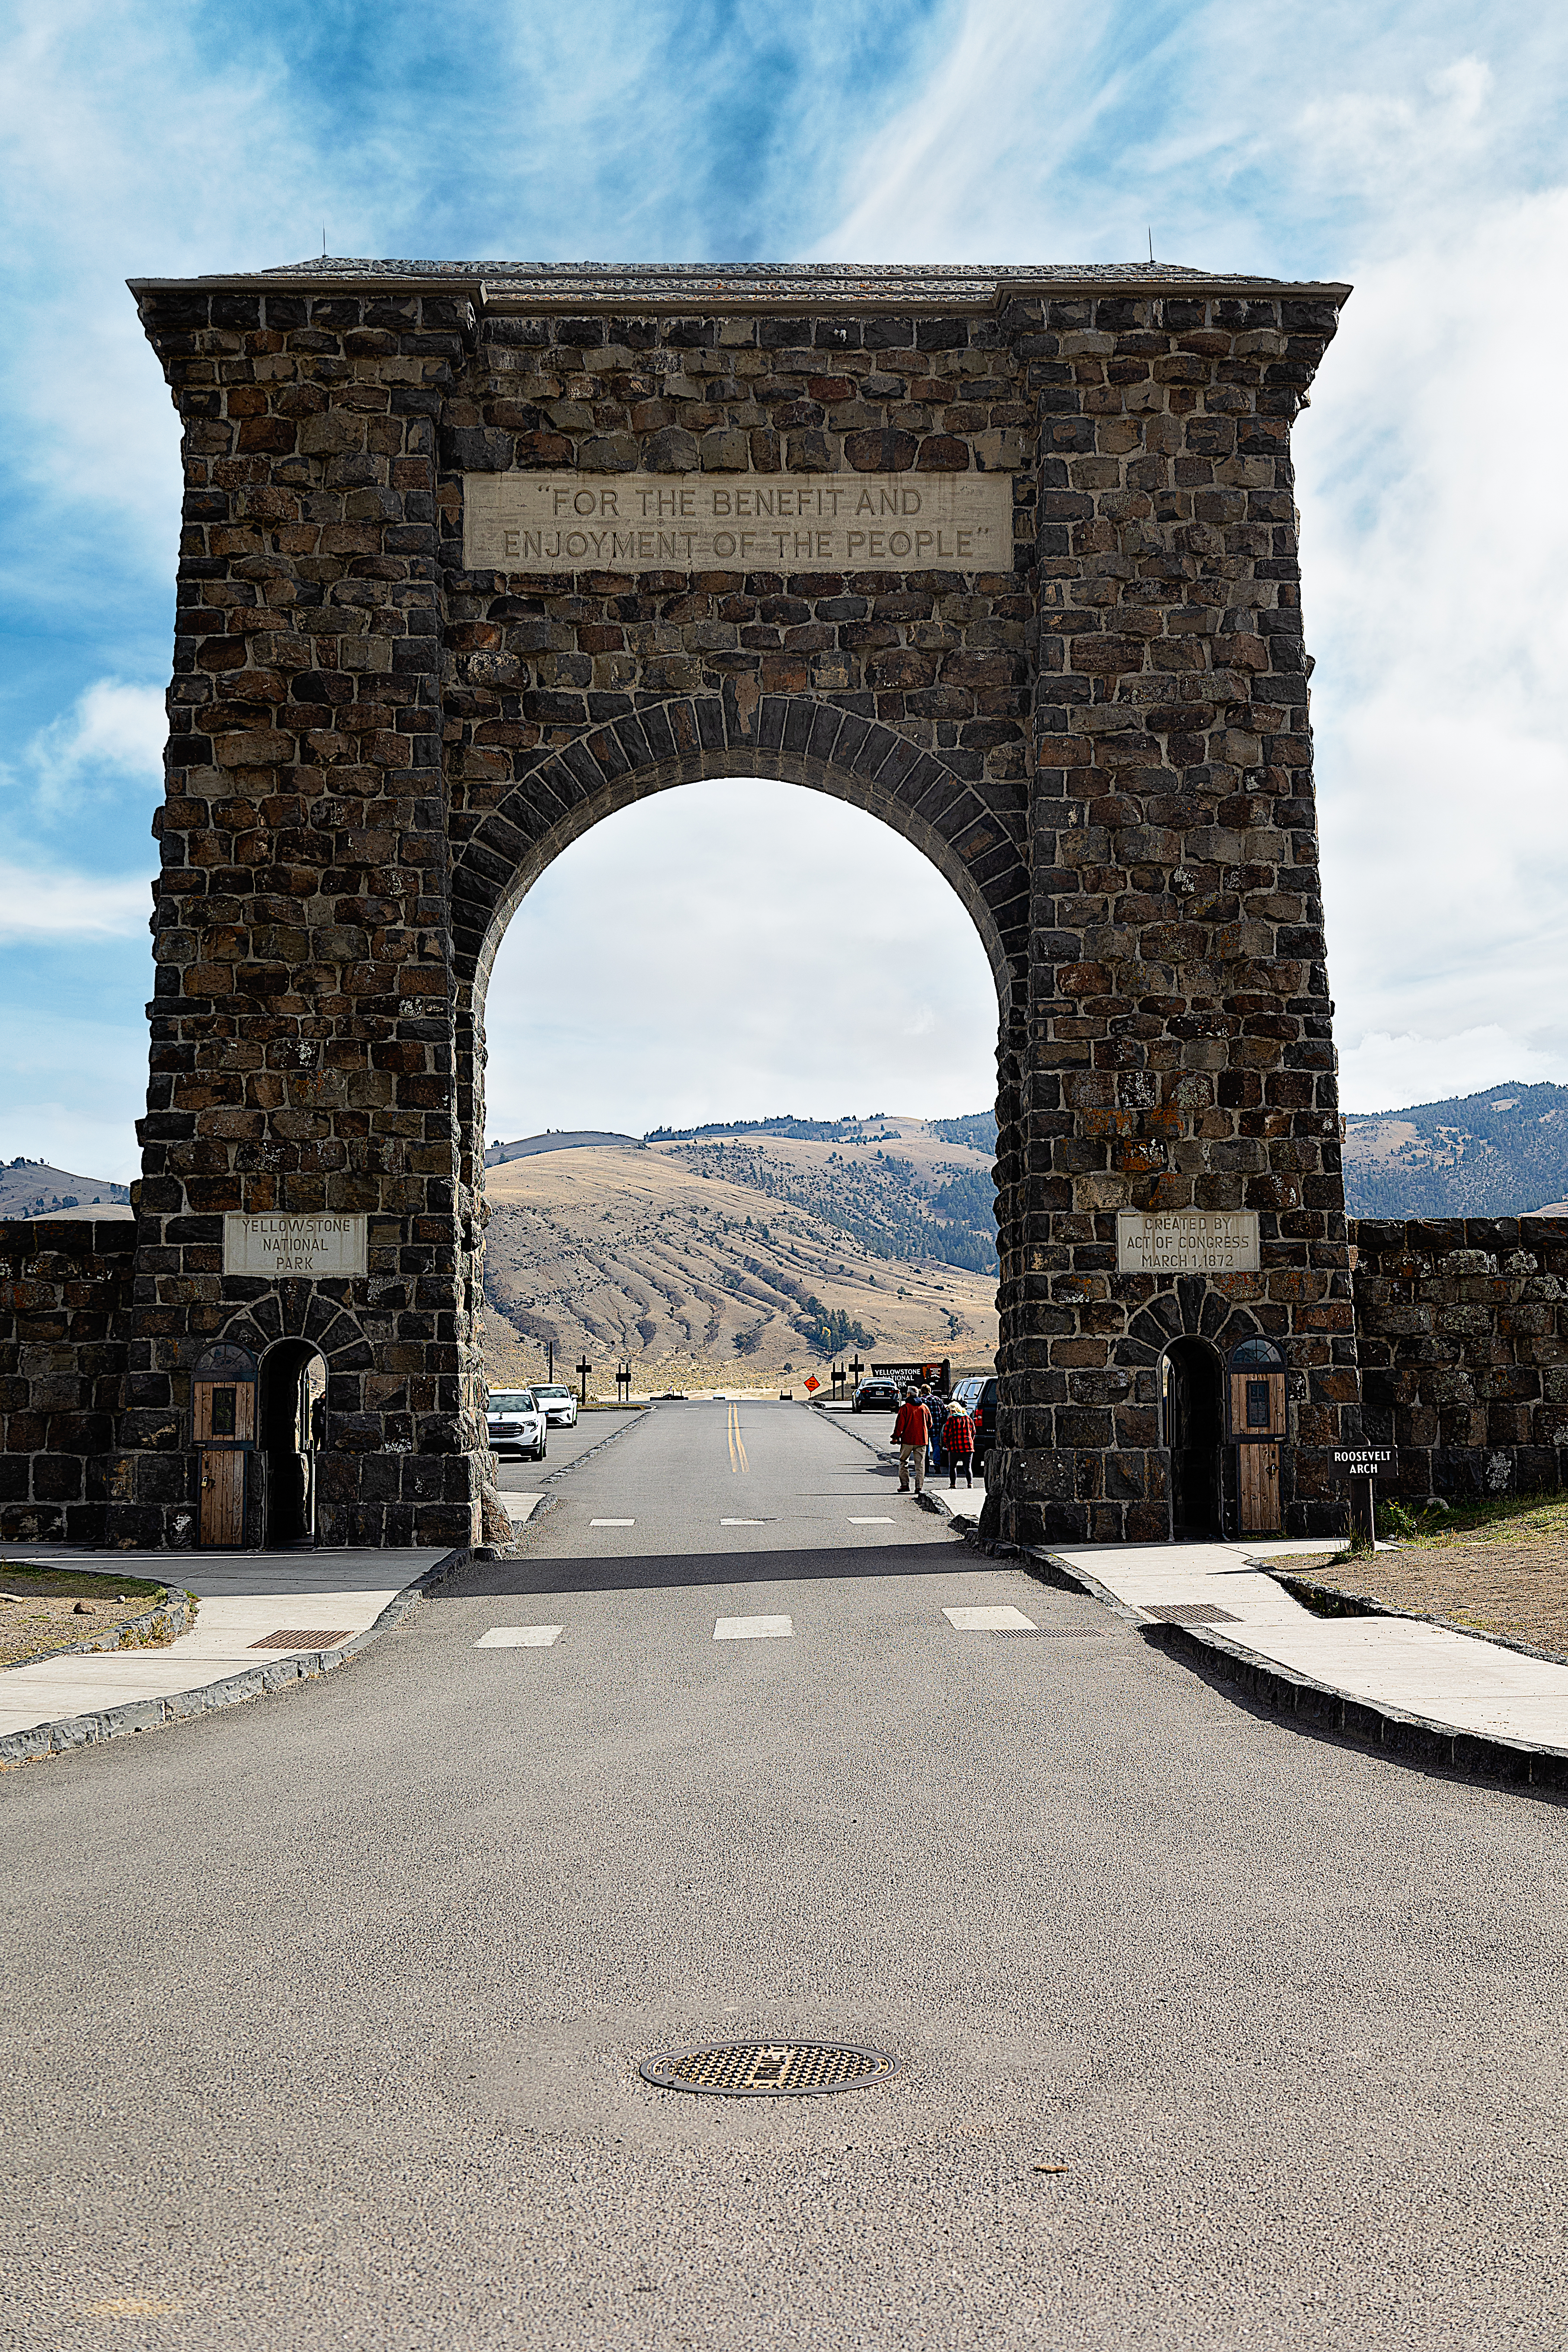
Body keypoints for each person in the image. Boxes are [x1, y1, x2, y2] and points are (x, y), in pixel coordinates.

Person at [892, 1387, 931, 1494]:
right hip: (922, 1440)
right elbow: (930, 1424)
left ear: (909, 1394)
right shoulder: (924, 1407)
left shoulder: (905, 1408)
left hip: (908, 1440)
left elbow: (900, 1424)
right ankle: (919, 1487)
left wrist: (896, 1437)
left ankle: (905, 1485)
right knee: (920, 1465)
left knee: (904, 1462)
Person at [941, 1393, 975, 1489]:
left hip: (954, 1447)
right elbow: (973, 1431)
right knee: (968, 1467)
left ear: (953, 1410)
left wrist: (947, 1444)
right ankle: (970, 1484)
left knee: (953, 1467)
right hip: (968, 1446)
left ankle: (953, 1485)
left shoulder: (951, 1420)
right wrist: (970, 1441)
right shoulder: (968, 1419)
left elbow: (946, 1433)